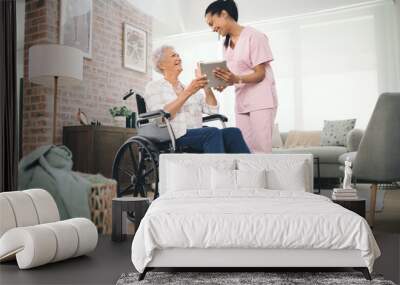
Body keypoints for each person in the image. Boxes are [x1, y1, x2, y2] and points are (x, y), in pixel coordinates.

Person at [144, 45, 250, 154]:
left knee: (233, 133)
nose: (179, 58)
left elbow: (212, 110)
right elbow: (160, 118)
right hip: (173, 136)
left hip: (197, 133)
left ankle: (247, 170)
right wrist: (188, 92)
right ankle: (218, 170)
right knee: (211, 133)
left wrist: (206, 87)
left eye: (178, 55)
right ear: (162, 64)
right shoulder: (154, 87)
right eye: (173, 56)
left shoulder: (188, 88)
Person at [205, 0, 278, 153]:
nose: (212, 29)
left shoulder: (255, 36)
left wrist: (234, 79)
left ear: (224, 14)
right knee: (244, 149)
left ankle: (264, 177)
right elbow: (235, 75)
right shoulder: (226, 44)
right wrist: (223, 83)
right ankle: (249, 178)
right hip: (242, 101)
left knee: (262, 150)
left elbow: (260, 74)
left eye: (212, 23)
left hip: (261, 100)